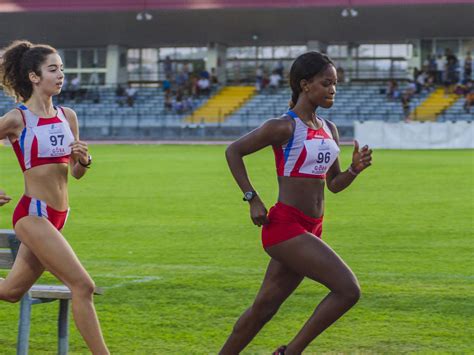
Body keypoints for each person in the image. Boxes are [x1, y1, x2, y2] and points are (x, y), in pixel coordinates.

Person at [221, 52, 372, 355]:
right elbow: (233, 151)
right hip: (285, 228)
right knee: (348, 289)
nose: (333, 90)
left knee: (263, 309)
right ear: (305, 85)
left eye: (335, 84)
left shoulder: (329, 129)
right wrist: (252, 198)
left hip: (311, 229)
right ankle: (290, 352)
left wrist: (354, 170)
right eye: (326, 83)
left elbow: (334, 184)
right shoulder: (284, 126)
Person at [0, 40, 109, 354]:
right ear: (34, 77)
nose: (61, 75)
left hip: (59, 216)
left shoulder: (68, 115)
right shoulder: (17, 119)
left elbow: (75, 174)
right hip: (32, 215)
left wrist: (84, 160)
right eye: (53, 69)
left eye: (61, 69)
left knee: (9, 291)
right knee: (83, 286)